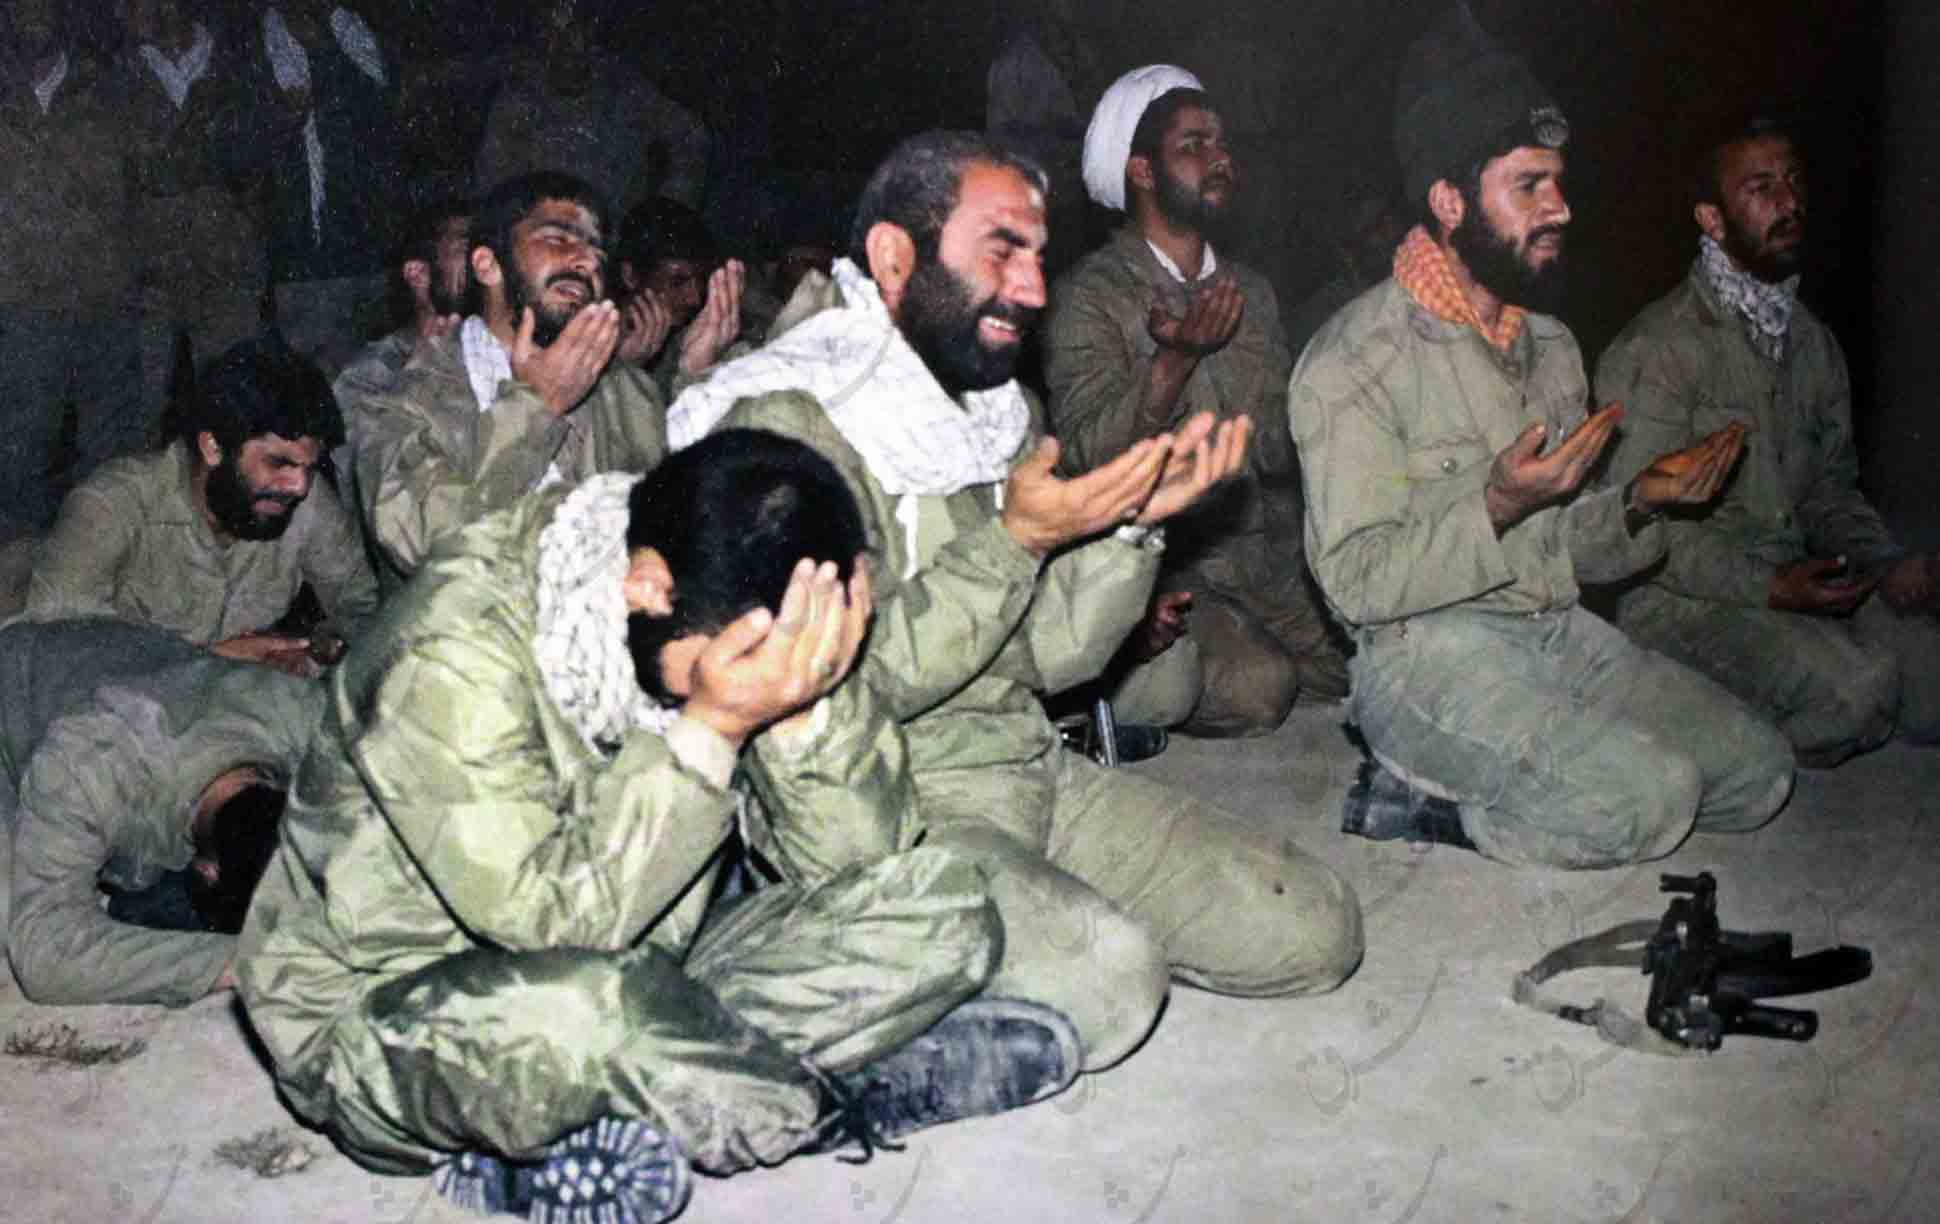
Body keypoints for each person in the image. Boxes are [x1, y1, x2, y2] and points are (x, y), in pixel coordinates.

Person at [239, 431, 1074, 1224]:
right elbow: (549, 923)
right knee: (594, 1017)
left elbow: (856, 868)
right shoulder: (447, 652)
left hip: (646, 949)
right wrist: (712, 727)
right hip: (395, 1010)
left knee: (943, 905)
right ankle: (824, 1102)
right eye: (753, 665)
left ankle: (640, 1101)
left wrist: (803, 710)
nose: (768, 677)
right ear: (645, 587)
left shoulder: (728, 590)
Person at [670, 130, 1363, 1074]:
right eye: (1001, 251)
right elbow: (840, 684)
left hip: (1028, 767)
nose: (1034, 289)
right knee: (1110, 984)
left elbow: (1052, 655)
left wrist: (1131, 529)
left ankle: (997, 942)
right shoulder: (784, 422)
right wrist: (1015, 543)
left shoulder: (995, 412)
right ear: (894, 257)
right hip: (887, 803)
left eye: (1038, 256)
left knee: (1315, 927)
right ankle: (829, 978)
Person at [1291, 6, 1794, 868]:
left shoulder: (1551, 345)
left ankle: (1542, 765)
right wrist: (1493, 503)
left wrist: (1642, 502)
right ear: (1450, 203)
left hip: (1555, 633)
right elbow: (1355, 585)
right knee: (1648, 799)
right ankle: (1425, 806)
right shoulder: (1354, 359)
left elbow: (1566, 548)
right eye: (1528, 185)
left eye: (1558, 182)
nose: (1560, 206)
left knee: (1759, 775)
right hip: (1426, 655)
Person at [1595, 115, 1940, 766]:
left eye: (1793, 180)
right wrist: (1770, 587)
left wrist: (1884, 562)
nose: (1789, 201)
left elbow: (1828, 490)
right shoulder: (1657, 348)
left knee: (1928, 687)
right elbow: (1632, 530)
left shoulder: (1810, 342)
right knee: (1858, 695)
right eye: (1761, 188)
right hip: (1678, 601)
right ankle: (1698, 733)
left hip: (1788, 582)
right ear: (1712, 219)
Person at [1047, 66, 1347, 737]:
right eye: (1193, 145)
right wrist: (1174, 361)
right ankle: (1113, 687)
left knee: (1374, 662)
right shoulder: (1090, 297)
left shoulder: (1251, 292)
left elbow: (1277, 446)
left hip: (1268, 560)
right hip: (1169, 571)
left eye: (1222, 144)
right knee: (1260, 690)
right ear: (1142, 172)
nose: (1220, 159)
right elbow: (1088, 460)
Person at [347, 171, 667, 586]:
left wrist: (698, 377)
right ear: (487, 264)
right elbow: (430, 550)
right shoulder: (404, 398)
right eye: (558, 239)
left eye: (597, 251)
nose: (588, 261)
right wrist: (535, 407)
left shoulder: (627, 391)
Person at [5, 619, 319, 1005]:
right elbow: (47, 956)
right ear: (207, 871)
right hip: (15, 692)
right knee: (11, 914)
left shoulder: (299, 711)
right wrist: (248, 960)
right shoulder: (87, 770)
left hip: (130, 665)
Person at [27, 337, 377, 675]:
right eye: (278, 463)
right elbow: (51, 656)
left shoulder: (305, 502)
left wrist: (319, 651)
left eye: (309, 467)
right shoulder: (113, 504)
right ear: (213, 447)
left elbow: (363, 607)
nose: (299, 485)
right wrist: (212, 660)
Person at [0, 0, 140, 536]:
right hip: (21, 311)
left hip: (103, 303)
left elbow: (143, 184)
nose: (29, 14)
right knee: (19, 459)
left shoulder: (107, 88)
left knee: (109, 461)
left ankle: (102, 569)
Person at [115, 0, 268, 436]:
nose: (123, 11)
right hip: (149, 275)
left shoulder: (237, 63)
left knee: (234, 406)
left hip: (227, 268)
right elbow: (140, 171)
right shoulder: (117, 74)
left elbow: (256, 161)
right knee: (139, 412)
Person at [239, 1, 403, 377]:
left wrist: (322, 49)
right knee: (312, 387)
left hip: (368, 249)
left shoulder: (359, 26)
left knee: (375, 385)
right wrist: (277, 123)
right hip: (298, 261)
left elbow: (385, 120)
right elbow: (238, 151)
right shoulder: (252, 44)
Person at [614, 195, 752, 401]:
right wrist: (622, 369)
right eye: (678, 281)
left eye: (700, 279)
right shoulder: (588, 344)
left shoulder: (691, 339)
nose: (694, 298)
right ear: (630, 276)